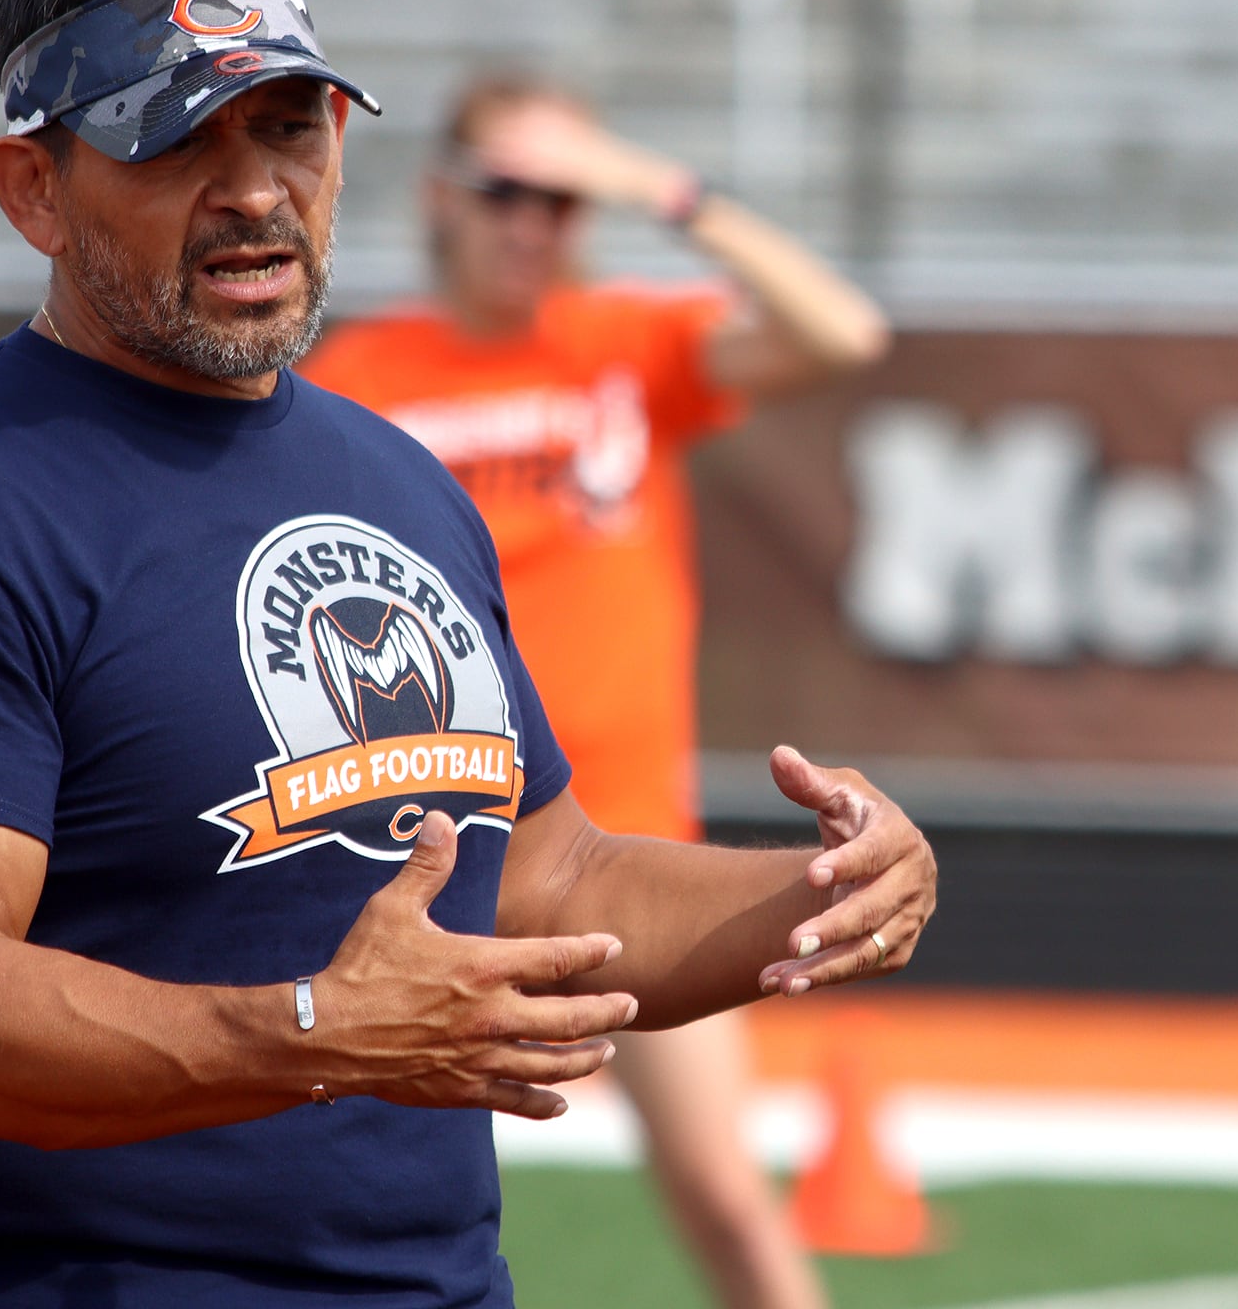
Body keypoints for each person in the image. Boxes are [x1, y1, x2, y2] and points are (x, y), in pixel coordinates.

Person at [0, 0, 936, 1309]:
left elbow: (548, 879)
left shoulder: (399, 480)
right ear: (34, 187)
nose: (256, 193)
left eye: (286, 126)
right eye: (176, 140)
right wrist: (312, 1031)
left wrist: (825, 896)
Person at [304, 76, 886, 1309]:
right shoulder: (362, 376)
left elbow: (844, 332)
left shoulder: (622, 342)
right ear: (442, 201)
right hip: (421, 857)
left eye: (563, 201)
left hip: (623, 851)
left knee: (728, 1197)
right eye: (508, 192)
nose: (535, 226)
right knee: (331, 1195)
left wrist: (660, 187)